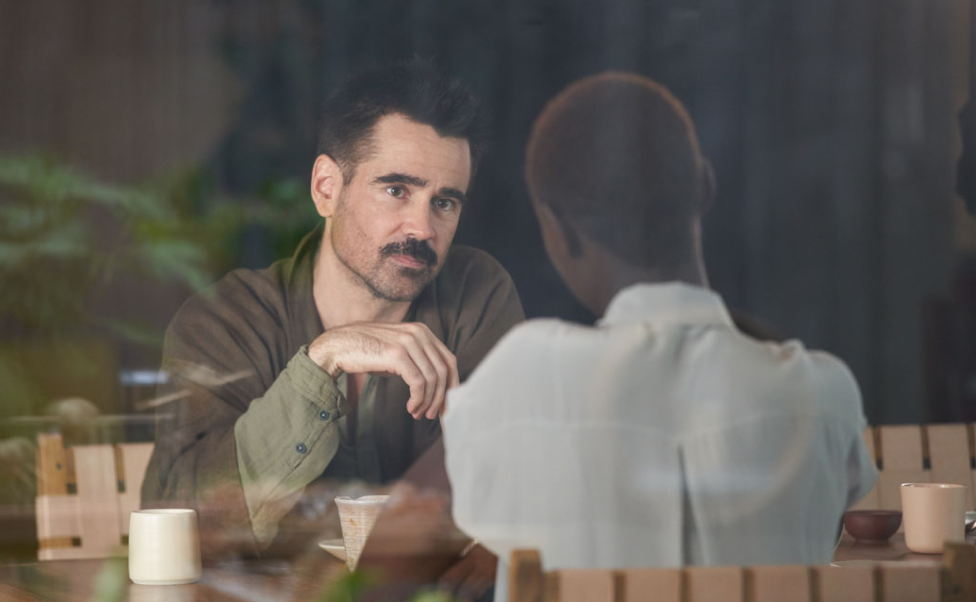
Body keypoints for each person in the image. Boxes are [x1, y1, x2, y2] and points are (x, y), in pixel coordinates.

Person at [442, 72, 879, 600]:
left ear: (554, 228)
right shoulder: (824, 397)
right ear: (705, 188)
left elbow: (431, 521)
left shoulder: (523, 376)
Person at [140, 60, 524, 561]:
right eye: (396, 190)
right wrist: (321, 361)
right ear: (326, 188)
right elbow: (179, 520)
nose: (423, 227)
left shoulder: (477, 295)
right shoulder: (224, 319)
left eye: (445, 202)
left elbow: (513, 490)